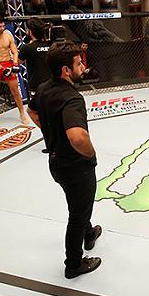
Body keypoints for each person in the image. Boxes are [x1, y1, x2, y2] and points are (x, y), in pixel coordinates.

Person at [27, 41, 102, 278]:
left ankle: (88, 234)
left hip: (56, 163)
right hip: (75, 166)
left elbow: (32, 111)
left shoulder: (44, 89)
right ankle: (74, 264)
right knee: (77, 214)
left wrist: (50, 133)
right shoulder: (72, 98)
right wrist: (91, 154)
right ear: (66, 70)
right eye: (78, 64)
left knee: (79, 203)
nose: (82, 68)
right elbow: (78, 137)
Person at [19, 17, 52, 96]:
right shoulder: (51, 45)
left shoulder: (27, 48)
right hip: (52, 83)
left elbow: (19, 61)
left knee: (37, 107)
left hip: (37, 85)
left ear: (30, 32)